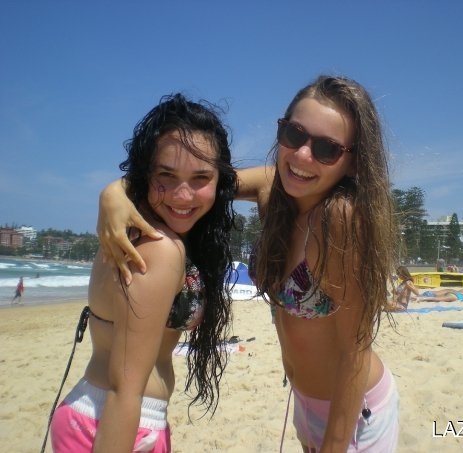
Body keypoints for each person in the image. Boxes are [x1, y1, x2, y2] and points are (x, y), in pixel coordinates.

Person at [97, 76, 400, 452]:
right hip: (306, 403)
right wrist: (115, 192)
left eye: (327, 149)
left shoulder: (339, 220)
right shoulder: (273, 188)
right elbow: (196, 181)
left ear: (353, 162)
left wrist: (335, 444)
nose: (303, 156)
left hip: (353, 414)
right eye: (294, 134)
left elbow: (355, 350)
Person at [50, 93, 237, 452]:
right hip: (116, 423)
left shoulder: (133, 228)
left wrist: (115, 190)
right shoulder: (159, 248)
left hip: (102, 415)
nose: (183, 195)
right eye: (166, 175)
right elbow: (125, 389)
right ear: (145, 173)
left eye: (200, 177)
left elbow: (274, 180)